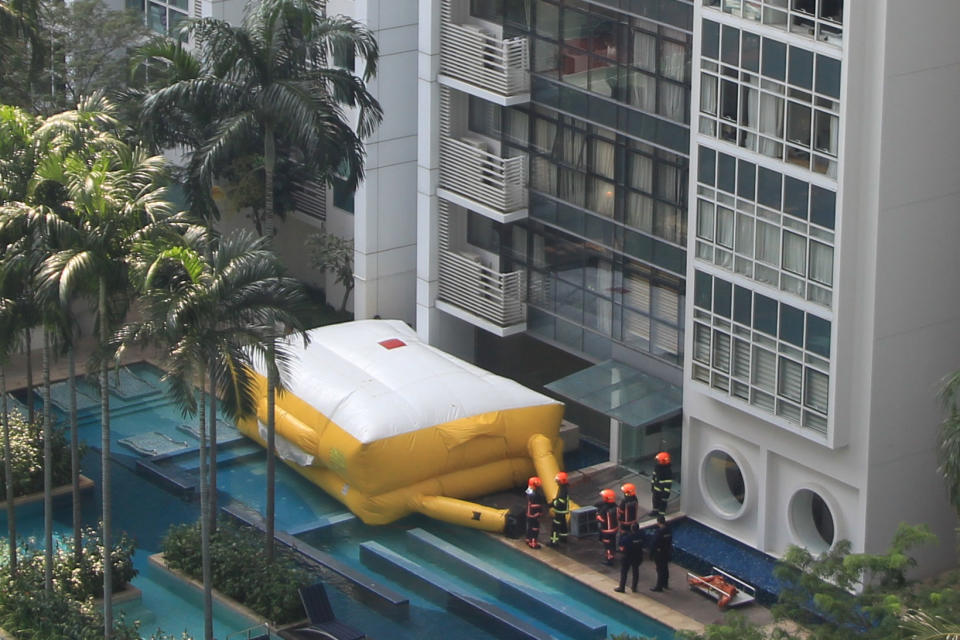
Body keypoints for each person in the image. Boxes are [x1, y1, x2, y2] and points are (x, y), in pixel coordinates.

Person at [614, 522, 644, 593]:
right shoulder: (641, 535)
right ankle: (634, 587)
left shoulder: (627, 538)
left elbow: (622, 548)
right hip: (637, 556)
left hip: (627, 557)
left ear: (631, 529)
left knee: (624, 572)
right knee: (635, 571)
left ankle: (622, 587)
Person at [649, 515, 672, 592]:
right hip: (666, 551)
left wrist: (651, 554)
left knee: (660, 570)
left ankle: (659, 586)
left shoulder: (659, 532)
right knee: (665, 568)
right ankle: (665, 584)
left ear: (658, 522)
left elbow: (654, 543)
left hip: (659, 553)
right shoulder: (669, 530)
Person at [595, 488, 619, 565]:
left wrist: (597, 515)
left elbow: (601, 519)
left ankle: (609, 559)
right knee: (613, 543)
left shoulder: (604, 509)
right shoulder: (615, 506)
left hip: (606, 531)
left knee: (607, 545)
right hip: (614, 529)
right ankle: (613, 554)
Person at [549, 471, 570, 547]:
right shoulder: (563, 488)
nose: (557, 482)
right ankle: (564, 538)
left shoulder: (563, 490)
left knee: (555, 525)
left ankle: (553, 542)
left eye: (558, 480)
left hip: (560, 510)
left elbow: (560, 502)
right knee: (563, 524)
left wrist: (552, 504)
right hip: (563, 510)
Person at [650, 451, 673, 518]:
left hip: (663, 491)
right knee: (655, 500)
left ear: (663, 461)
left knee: (663, 502)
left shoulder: (668, 471)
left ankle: (661, 514)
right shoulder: (657, 467)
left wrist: (666, 493)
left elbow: (668, 483)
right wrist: (652, 485)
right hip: (656, 489)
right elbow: (654, 476)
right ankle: (655, 511)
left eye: (658, 460)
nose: (657, 462)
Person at [525, 476, 545, 549]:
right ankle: (533, 543)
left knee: (529, 527)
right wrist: (539, 513)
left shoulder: (528, 490)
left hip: (528, 513)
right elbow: (536, 505)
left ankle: (528, 539)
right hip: (533, 514)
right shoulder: (535, 495)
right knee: (535, 528)